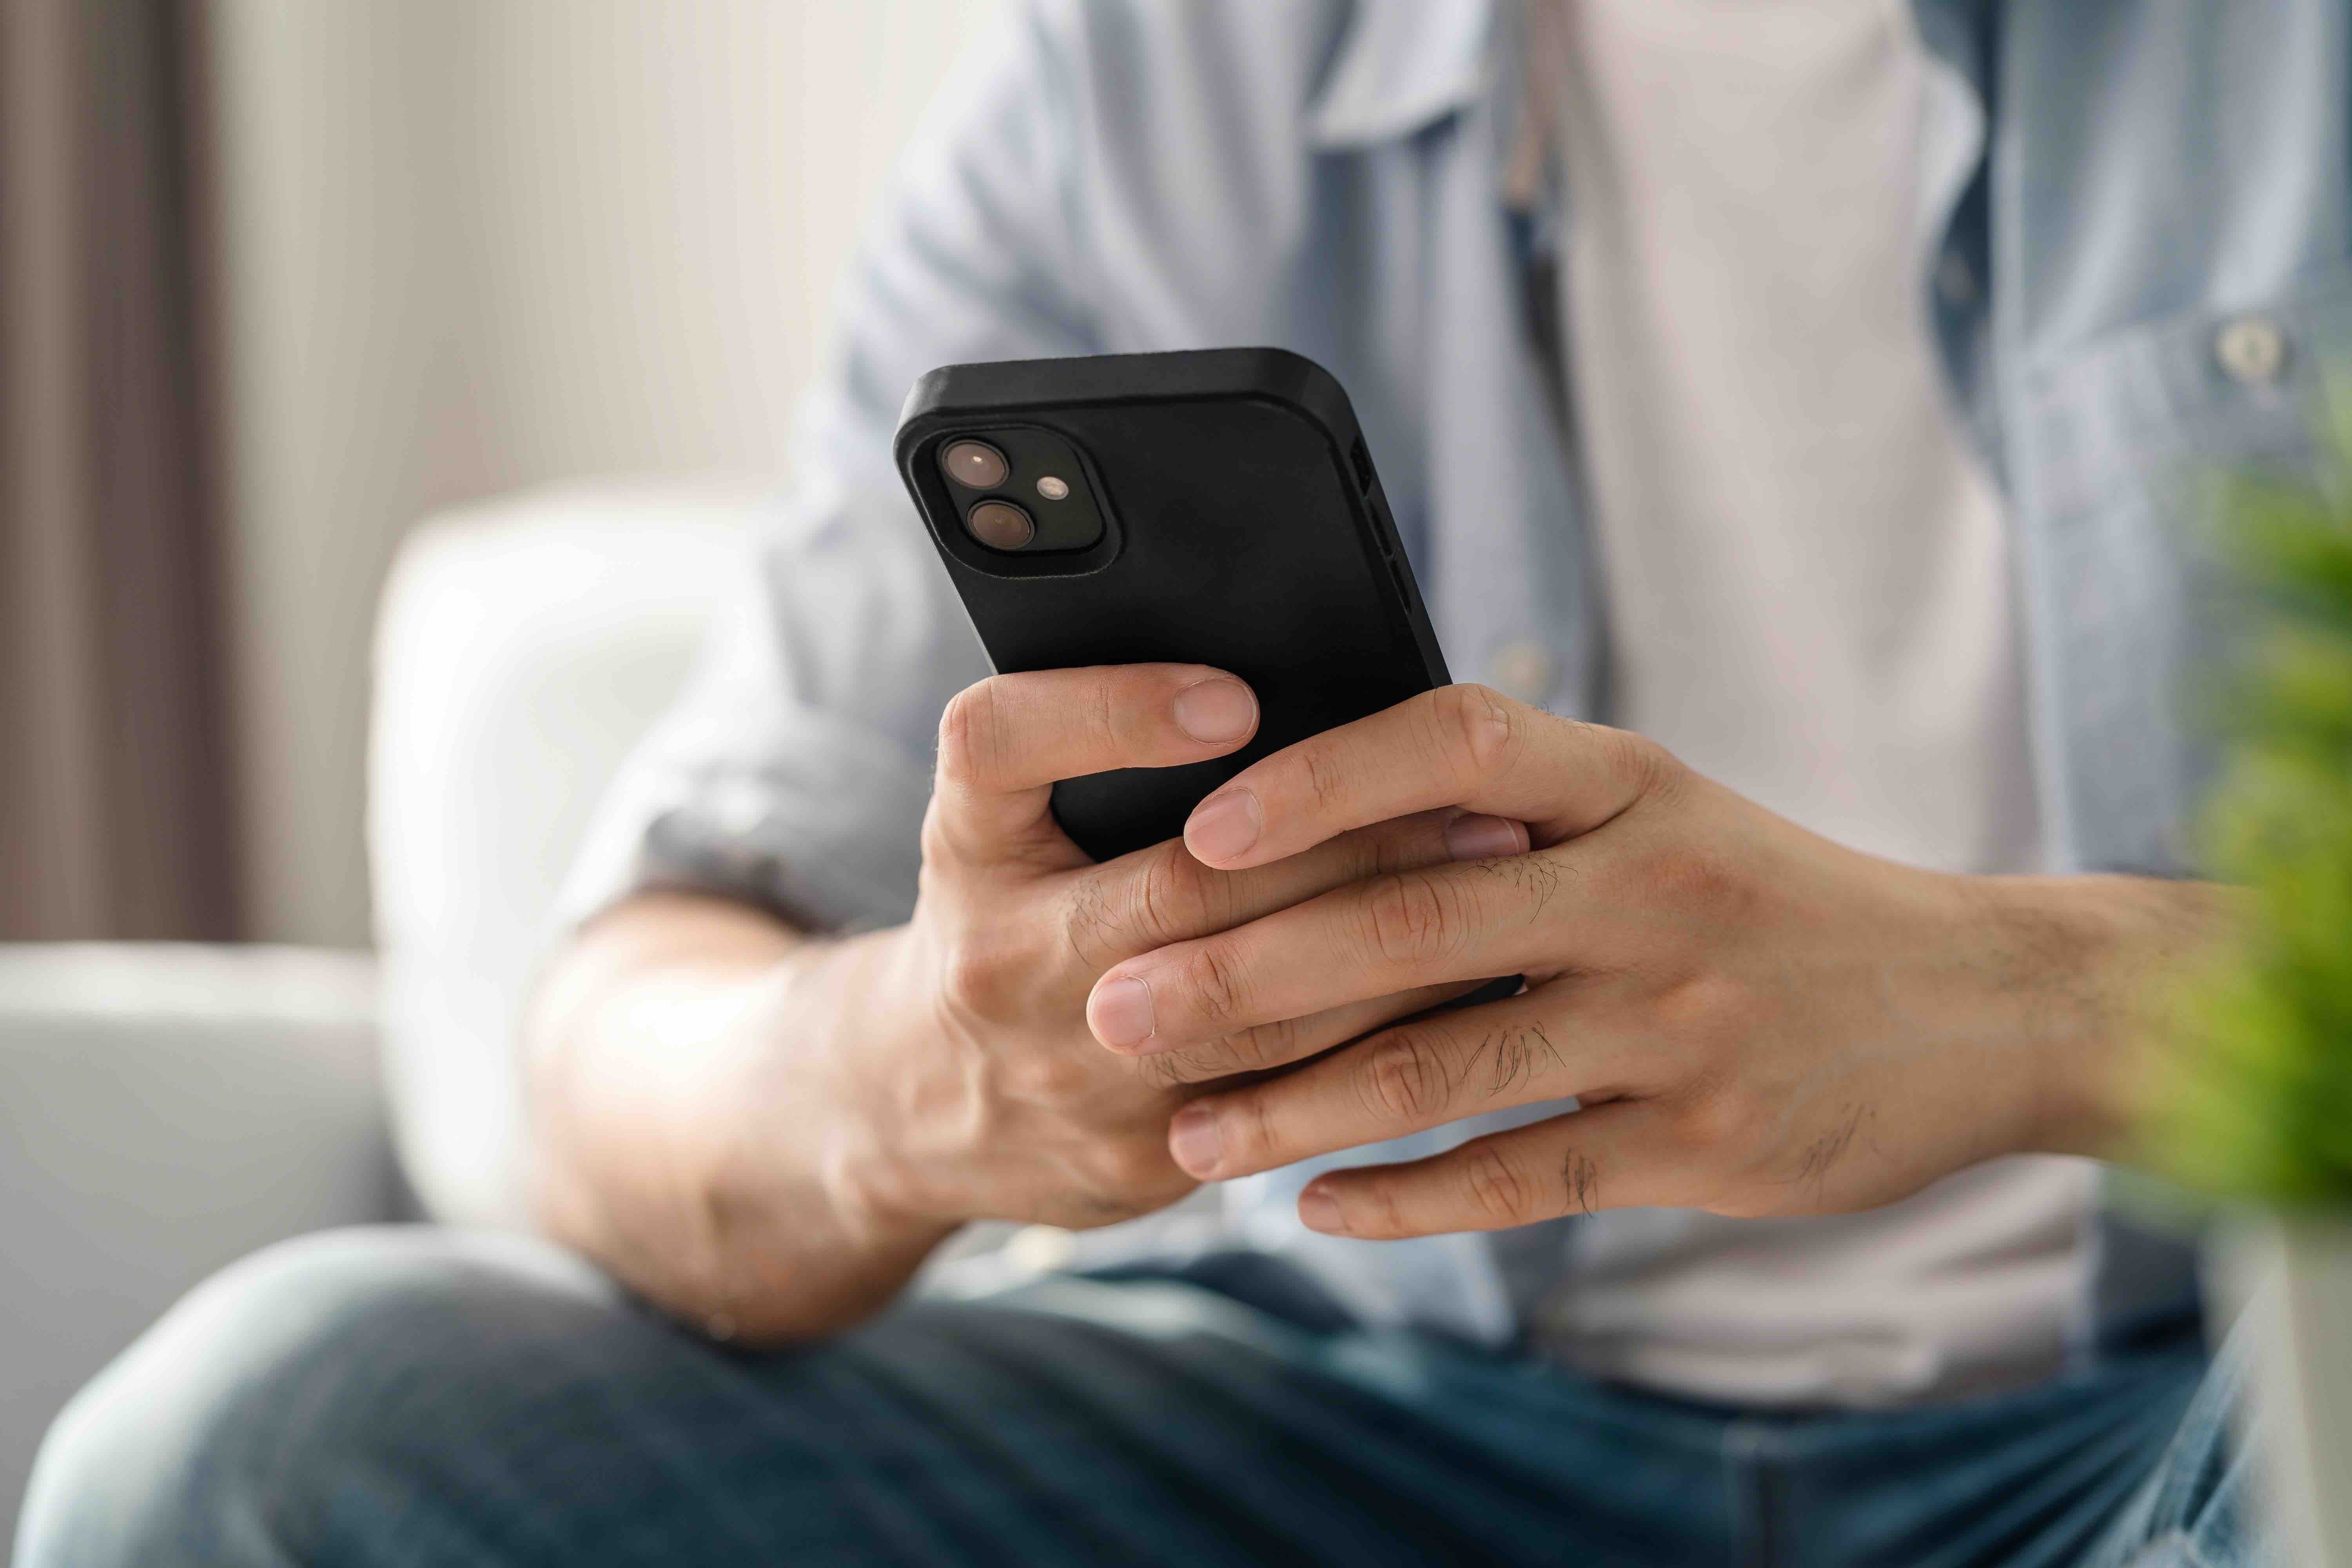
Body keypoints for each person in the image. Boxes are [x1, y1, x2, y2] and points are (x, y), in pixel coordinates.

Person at [16, 1, 2319, 1563]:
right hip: (1349, 1437)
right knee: (268, 1448)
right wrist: (931, 1079)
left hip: (2189, 1413)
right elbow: (619, 1048)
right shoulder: (1154, 68)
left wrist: (2033, 1000)